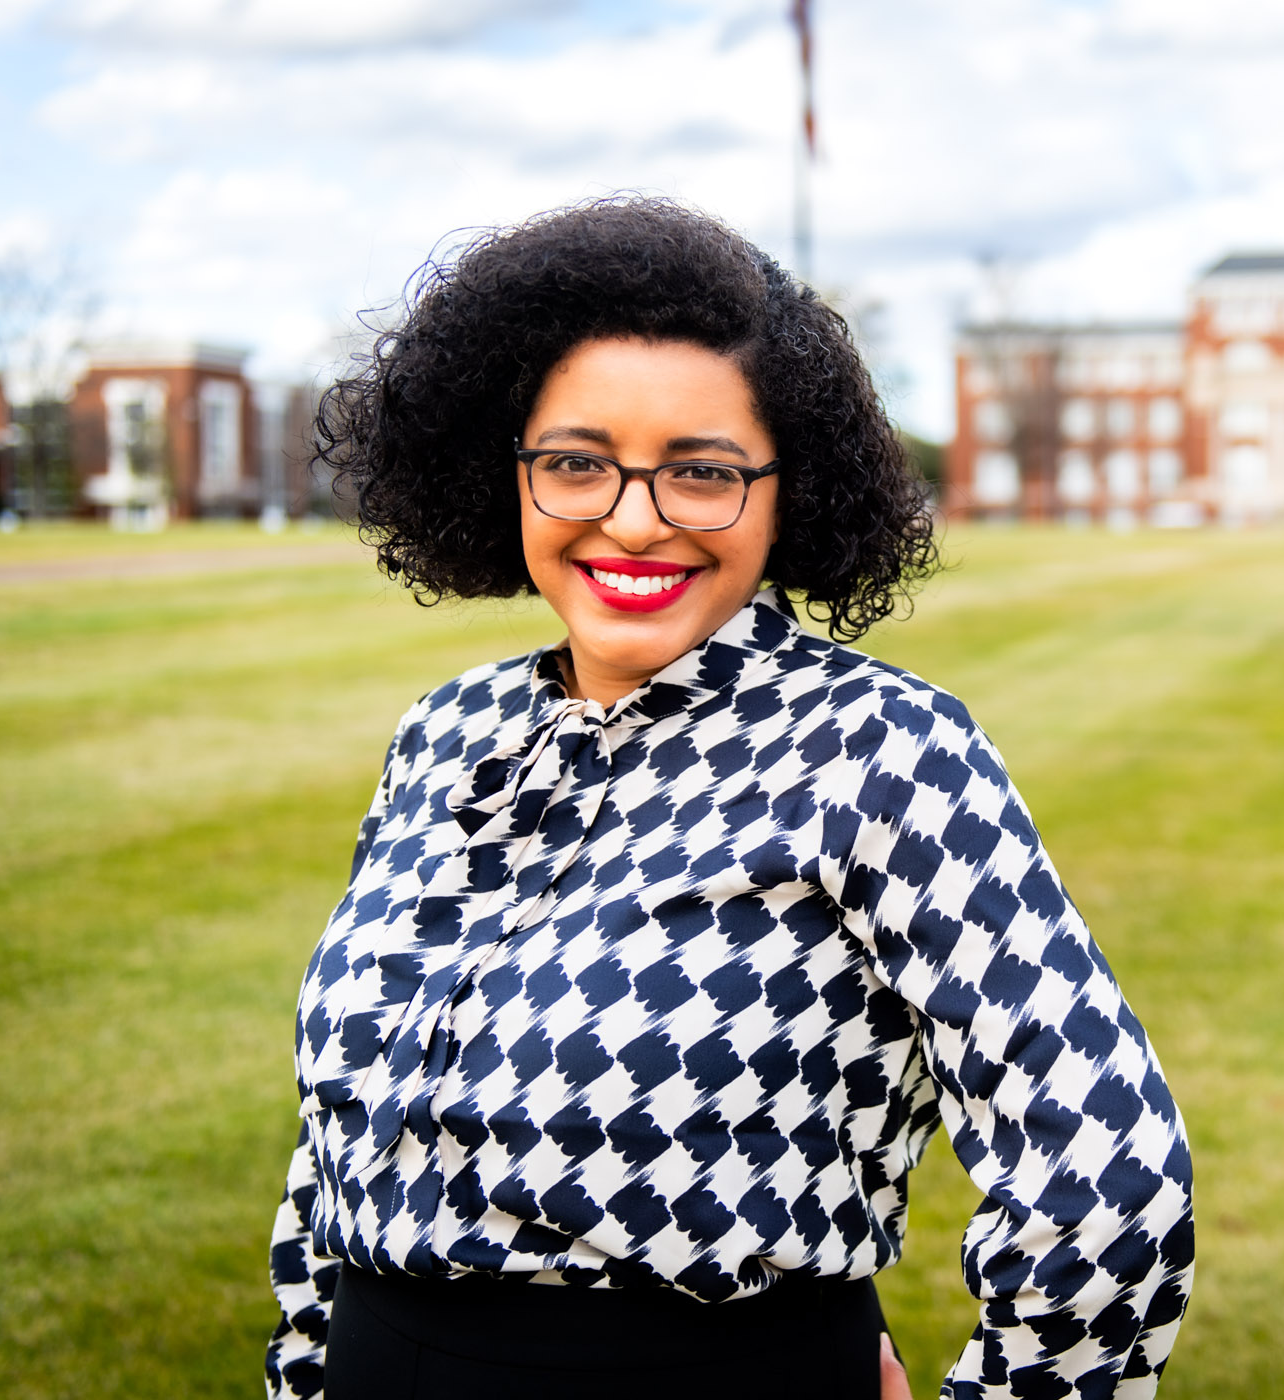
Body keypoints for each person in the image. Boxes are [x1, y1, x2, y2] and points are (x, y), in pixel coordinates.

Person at [264, 198, 1193, 1400]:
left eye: (701, 472)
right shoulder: (445, 735)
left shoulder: (881, 750)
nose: (633, 519)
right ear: (509, 472)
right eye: (576, 462)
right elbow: (335, 1153)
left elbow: (1110, 1174)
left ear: (784, 490)